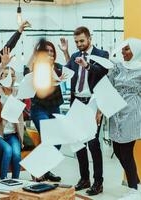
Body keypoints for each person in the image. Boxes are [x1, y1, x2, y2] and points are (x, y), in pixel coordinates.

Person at [61, 26, 109, 196]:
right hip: (77, 103)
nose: (79, 44)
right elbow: (68, 72)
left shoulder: (102, 55)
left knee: (93, 144)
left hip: (93, 103)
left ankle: (98, 182)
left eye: (82, 40)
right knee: (78, 143)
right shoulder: (75, 56)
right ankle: (84, 178)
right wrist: (66, 53)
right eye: (76, 42)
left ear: (89, 38)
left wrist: (87, 65)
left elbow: (101, 72)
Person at [108, 38, 141, 200]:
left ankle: (134, 189)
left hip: (131, 112)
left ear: (136, 50)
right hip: (116, 111)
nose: (123, 52)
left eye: (127, 49)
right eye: (123, 49)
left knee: (126, 152)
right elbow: (108, 83)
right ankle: (137, 183)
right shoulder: (118, 67)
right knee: (117, 150)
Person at [0, 47, 24, 180]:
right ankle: (3, 181)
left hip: (12, 134)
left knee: (17, 154)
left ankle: (15, 182)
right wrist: (3, 65)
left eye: (12, 75)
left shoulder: (17, 93)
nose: (10, 77)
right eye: (6, 75)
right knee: (7, 151)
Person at [29, 39, 64, 182]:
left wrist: (66, 52)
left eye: (51, 51)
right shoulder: (36, 67)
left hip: (54, 108)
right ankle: (37, 169)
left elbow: (70, 71)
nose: (50, 53)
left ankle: (44, 169)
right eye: (46, 51)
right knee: (48, 137)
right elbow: (29, 72)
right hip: (39, 108)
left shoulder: (59, 67)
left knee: (58, 141)